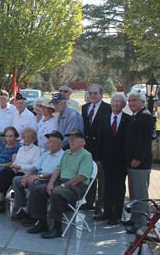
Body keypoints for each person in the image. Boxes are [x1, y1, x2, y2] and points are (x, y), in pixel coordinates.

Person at [26, 129, 93, 239]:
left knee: (57, 194)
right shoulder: (67, 153)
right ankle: (42, 223)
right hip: (62, 182)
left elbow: (81, 177)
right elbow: (58, 169)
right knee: (38, 189)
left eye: (75, 139)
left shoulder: (86, 155)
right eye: (70, 139)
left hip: (76, 186)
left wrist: (63, 186)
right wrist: (51, 183)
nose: (71, 141)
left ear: (82, 141)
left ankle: (57, 228)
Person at [11, 130, 64, 224]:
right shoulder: (46, 154)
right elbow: (33, 168)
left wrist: (38, 177)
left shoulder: (63, 156)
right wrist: (26, 176)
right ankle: (23, 208)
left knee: (34, 183)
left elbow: (57, 173)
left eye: (54, 141)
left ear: (61, 143)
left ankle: (31, 213)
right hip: (39, 177)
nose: (51, 144)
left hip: (50, 180)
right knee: (17, 180)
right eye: (49, 141)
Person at [94, 93, 130, 225]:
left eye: (118, 102)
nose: (115, 104)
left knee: (119, 188)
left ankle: (117, 215)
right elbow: (100, 140)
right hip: (106, 160)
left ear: (123, 105)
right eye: (113, 101)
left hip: (121, 161)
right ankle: (107, 212)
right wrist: (98, 159)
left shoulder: (128, 119)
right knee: (107, 187)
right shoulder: (103, 119)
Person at [122, 91, 155, 234]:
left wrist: (137, 158)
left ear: (142, 102)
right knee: (134, 194)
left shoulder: (145, 116)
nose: (131, 103)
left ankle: (143, 224)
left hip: (139, 163)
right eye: (129, 101)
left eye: (134, 100)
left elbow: (144, 141)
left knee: (141, 195)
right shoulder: (136, 116)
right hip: (132, 163)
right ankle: (134, 218)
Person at [0, 127, 41, 213]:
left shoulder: (36, 150)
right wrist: (15, 167)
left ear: (34, 139)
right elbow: (15, 162)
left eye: (29, 137)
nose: (26, 139)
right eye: (25, 137)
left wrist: (20, 167)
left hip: (26, 174)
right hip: (17, 171)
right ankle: (0, 198)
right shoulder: (21, 149)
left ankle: (0, 203)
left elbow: (34, 167)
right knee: (4, 172)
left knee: (9, 175)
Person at [82, 84, 111, 214]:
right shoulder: (85, 108)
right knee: (89, 175)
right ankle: (89, 201)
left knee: (102, 177)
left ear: (101, 94)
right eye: (90, 93)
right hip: (88, 149)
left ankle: (101, 204)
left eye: (95, 93)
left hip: (102, 148)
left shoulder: (108, 108)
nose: (92, 96)